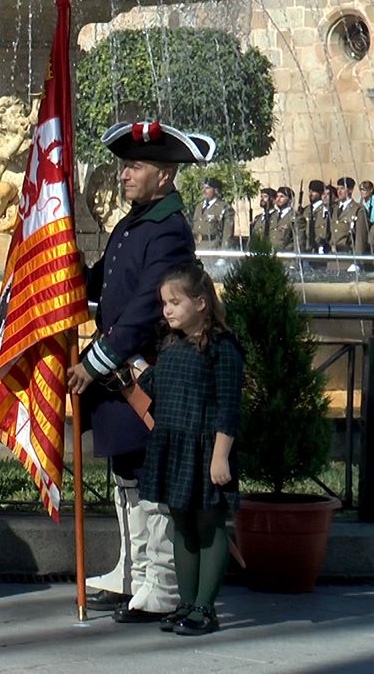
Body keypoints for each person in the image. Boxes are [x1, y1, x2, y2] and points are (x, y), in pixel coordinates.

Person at [66, 120, 214, 623]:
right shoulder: (134, 223)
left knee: (153, 481)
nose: (124, 174)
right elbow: (105, 286)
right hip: (122, 370)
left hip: (147, 371)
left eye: (135, 166)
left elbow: (148, 309)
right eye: (125, 165)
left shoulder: (167, 230)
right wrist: (65, 263)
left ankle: (163, 585)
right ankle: (133, 572)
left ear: (164, 176)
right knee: (128, 475)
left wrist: (95, 363)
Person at [130, 261, 243, 636]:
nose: (167, 310)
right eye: (165, 303)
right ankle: (186, 603)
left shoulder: (222, 348)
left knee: (209, 523)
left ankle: (205, 608)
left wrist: (220, 456)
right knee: (181, 522)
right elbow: (159, 386)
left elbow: (229, 406)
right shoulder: (171, 344)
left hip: (205, 448)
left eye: (175, 302)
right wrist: (132, 364)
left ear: (201, 302)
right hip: (174, 446)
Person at [330, 176, 369, 271]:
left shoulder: (358, 210)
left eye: (342, 188)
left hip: (347, 259)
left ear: (350, 190)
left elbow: (360, 238)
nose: (339, 191)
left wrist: (357, 261)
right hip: (332, 259)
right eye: (338, 189)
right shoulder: (334, 209)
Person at [191, 177, 234, 252]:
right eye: (203, 188)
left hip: (212, 249)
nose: (204, 191)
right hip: (196, 248)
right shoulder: (198, 207)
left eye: (208, 188)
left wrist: (224, 253)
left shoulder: (223, 207)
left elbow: (227, 234)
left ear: (216, 190)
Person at [269, 186, 300, 254]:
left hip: (286, 256)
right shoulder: (272, 216)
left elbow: (299, 242)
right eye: (277, 196)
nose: (278, 199)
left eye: (282, 197)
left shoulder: (295, 217)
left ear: (290, 200)